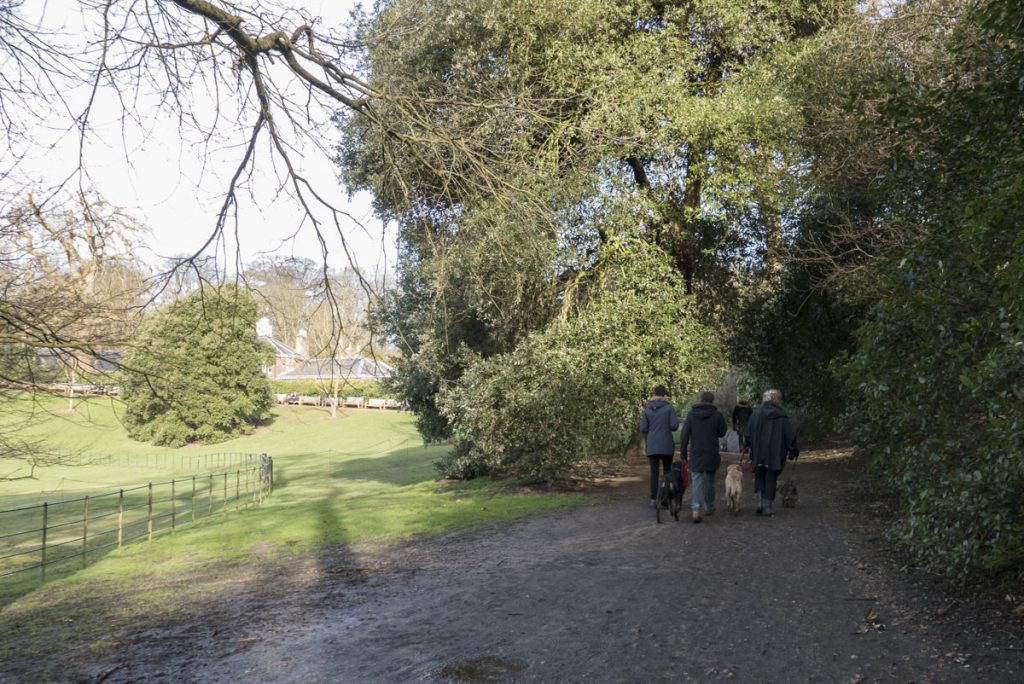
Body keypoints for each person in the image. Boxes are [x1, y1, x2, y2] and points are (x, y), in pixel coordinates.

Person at [744, 388, 799, 517]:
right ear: (777, 400)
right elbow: (790, 435)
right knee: (771, 477)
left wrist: (747, 444)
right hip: (775, 452)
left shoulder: (756, 414)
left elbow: (749, 433)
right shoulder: (782, 415)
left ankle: (759, 502)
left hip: (758, 451)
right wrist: (793, 450)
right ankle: (768, 506)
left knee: (759, 474)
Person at [679, 391, 727, 523]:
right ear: (712, 401)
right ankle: (709, 506)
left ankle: (695, 509)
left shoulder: (691, 415)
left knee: (697, 481)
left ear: (701, 400)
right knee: (710, 481)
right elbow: (722, 432)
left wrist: (683, 454)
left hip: (696, 452)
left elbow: (684, 436)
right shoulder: (717, 415)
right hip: (711, 452)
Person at [639, 385, 680, 508]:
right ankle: (666, 498)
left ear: (654, 394)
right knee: (667, 472)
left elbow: (643, 428)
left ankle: (653, 499)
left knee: (654, 473)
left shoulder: (647, 410)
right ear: (664, 395)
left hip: (652, 446)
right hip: (666, 444)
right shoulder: (669, 408)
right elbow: (674, 426)